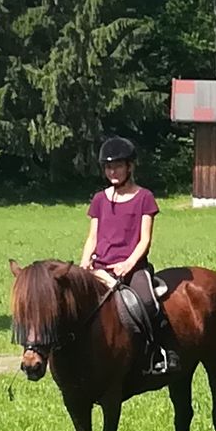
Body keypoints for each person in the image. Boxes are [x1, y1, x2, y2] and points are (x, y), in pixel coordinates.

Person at [80, 135, 172, 377]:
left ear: (130, 167)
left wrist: (128, 264)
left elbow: (145, 240)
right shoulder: (99, 199)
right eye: (108, 166)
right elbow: (92, 237)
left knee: (148, 302)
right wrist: (84, 262)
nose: (113, 171)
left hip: (133, 268)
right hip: (101, 267)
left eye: (118, 166)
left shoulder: (144, 198)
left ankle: (158, 353)